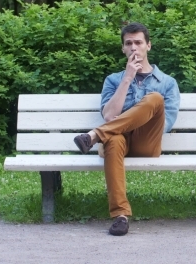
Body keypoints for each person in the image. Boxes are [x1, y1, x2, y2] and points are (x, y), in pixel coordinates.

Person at [73, 22, 180, 236]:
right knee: (112, 140)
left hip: (147, 142)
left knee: (155, 98)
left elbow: (163, 126)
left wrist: (116, 127)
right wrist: (128, 78)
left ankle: (95, 135)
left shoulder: (167, 83)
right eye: (128, 43)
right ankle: (120, 216)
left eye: (138, 42)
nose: (134, 47)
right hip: (118, 141)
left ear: (148, 46)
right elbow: (110, 116)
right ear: (123, 48)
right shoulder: (113, 80)